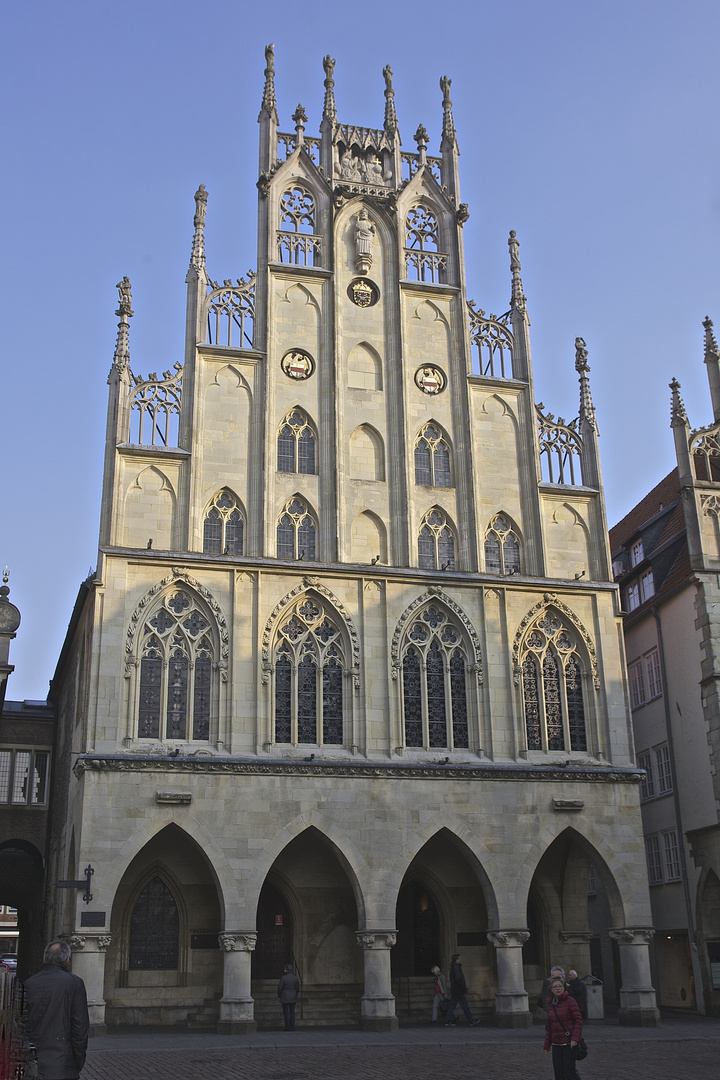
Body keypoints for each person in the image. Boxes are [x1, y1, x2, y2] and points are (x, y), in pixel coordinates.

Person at [24, 940, 89, 1080]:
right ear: (67, 960)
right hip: (62, 1063)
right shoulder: (74, 983)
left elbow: (23, 1024)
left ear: (45, 958)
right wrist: (77, 1061)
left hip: (33, 1061)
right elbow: (80, 1028)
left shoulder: (30, 983)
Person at [543, 975, 583, 1080]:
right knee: (558, 1073)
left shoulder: (570, 1001)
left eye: (560, 986)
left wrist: (575, 1039)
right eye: (555, 986)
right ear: (551, 989)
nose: (558, 988)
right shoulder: (551, 1004)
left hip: (568, 1043)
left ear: (564, 987)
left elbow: (578, 1021)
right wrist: (547, 1044)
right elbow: (550, 1026)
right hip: (556, 1044)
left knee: (569, 1072)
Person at [444, 953, 479, 1026]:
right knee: (465, 1005)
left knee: (452, 1005)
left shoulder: (453, 967)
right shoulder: (456, 967)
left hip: (455, 990)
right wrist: (463, 987)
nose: (460, 960)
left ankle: (447, 1020)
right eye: (459, 958)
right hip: (458, 990)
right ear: (456, 960)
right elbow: (458, 978)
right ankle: (471, 1020)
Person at [277, 963, 300, 1031]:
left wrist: (279, 995)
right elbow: (297, 988)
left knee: (286, 1012)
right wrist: (295, 994)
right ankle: (292, 1026)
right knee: (292, 1012)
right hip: (293, 996)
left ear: (286, 970)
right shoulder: (295, 978)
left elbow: (280, 987)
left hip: (285, 996)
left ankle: (287, 1026)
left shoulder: (283, 978)